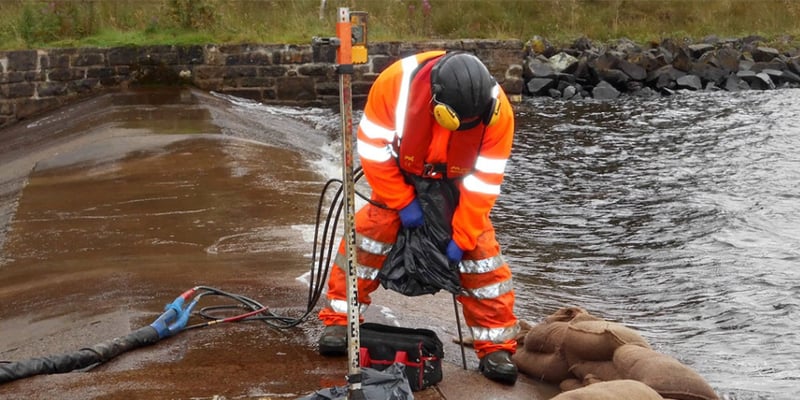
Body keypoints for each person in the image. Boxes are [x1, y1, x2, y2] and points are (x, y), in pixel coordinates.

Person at [317, 50, 520, 384]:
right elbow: (372, 149)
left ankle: (495, 346)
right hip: (400, 175)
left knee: (482, 258)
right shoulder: (395, 85)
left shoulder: (499, 115)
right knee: (369, 235)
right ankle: (340, 322)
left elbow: (484, 184)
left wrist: (463, 237)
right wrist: (403, 202)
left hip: (456, 185)